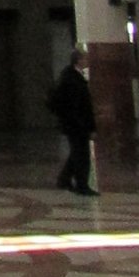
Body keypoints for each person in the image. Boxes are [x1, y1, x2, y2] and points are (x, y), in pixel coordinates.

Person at [49, 49, 97, 195]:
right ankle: (81, 185)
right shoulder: (72, 79)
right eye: (85, 58)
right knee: (81, 155)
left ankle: (64, 179)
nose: (87, 61)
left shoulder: (71, 76)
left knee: (77, 153)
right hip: (76, 124)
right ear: (78, 60)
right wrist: (84, 124)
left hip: (75, 123)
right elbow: (77, 105)